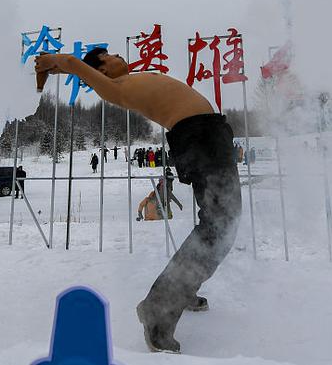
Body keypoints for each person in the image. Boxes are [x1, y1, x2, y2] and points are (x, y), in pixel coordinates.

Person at [36, 47, 241, 353]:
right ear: (103, 70)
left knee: (219, 223)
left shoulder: (124, 80)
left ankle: (182, 289)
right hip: (199, 136)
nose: (118, 55)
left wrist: (61, 69)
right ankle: (158, 310)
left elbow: (73, 67)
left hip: (208, 134)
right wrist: (51, 62)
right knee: (220, 225)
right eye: (110, 55)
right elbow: (71, 62)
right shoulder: (114, 87)